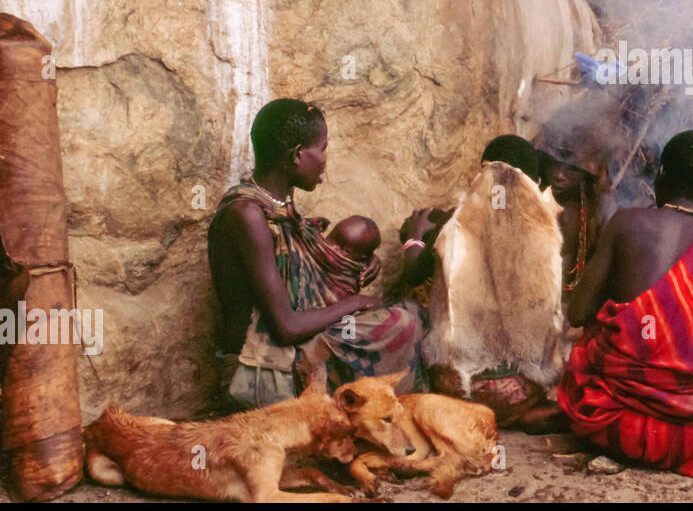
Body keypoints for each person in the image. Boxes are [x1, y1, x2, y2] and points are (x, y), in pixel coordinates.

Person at [556, 130, 693, 479]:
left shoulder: (626, 223)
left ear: (660, 175)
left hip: (614, 426)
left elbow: (577, 312)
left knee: (585, 349)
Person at [208, 99, 424, 410]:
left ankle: (380, 415)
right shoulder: (247, 215)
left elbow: (303, 265)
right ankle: (382, 419)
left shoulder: (278, 207)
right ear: (297, 155)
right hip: (261, 368)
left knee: (411, 314)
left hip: (291, 351)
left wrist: (354, 264)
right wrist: (356, 302)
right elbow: (287, 327)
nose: (324, 160)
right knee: (401, 324)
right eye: (321, 149)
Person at [399, 135, 565, 428]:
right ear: (534, 182)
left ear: (482, 172)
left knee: (415, 316)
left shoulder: (452, 223)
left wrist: (415, 235)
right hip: (521, 391)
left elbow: (413, 273)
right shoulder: (544, 233)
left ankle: (472, 414)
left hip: (457, 389)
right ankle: (522, 414)